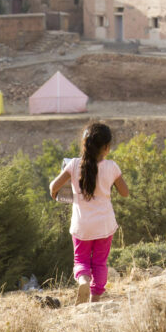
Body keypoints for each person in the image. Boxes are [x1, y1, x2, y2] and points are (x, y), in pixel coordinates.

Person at [50, 122, 129, 303]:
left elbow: (53, 187)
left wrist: (56, 195)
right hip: (104, 224)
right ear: (107, 147)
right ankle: (95, 298)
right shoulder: (112, 167)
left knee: (81, 261)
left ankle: (83, 280)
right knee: (100, 263)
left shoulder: (74, 165)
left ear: (84, 144)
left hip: (81, 225)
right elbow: (125, 193)